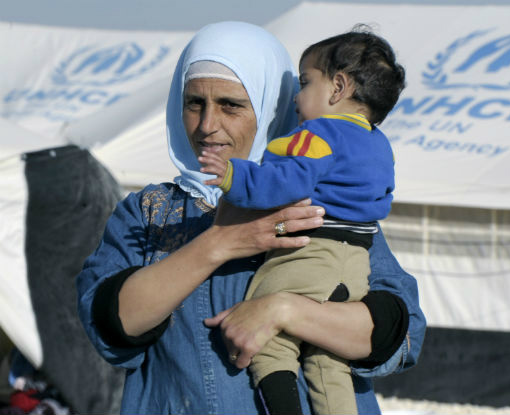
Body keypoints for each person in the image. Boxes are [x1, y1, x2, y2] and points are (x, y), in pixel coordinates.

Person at [76, 21, 426, 415]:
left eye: (231, 105)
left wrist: (283, 310)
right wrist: (217, 244)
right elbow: (112, 325)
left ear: (272, 106)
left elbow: (399, 332)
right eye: (195, 103)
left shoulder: (325, 203)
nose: (208, 125)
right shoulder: (152, 212)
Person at [199, 28, 404, 415]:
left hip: (309, 255)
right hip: (354, 263)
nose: (296, 96)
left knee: (270, 344)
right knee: (328, 361)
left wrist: (233, 176)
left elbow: (282, 181)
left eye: (306, 82)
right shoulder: (379, 145)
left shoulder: (318, 133)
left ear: (338, 87)